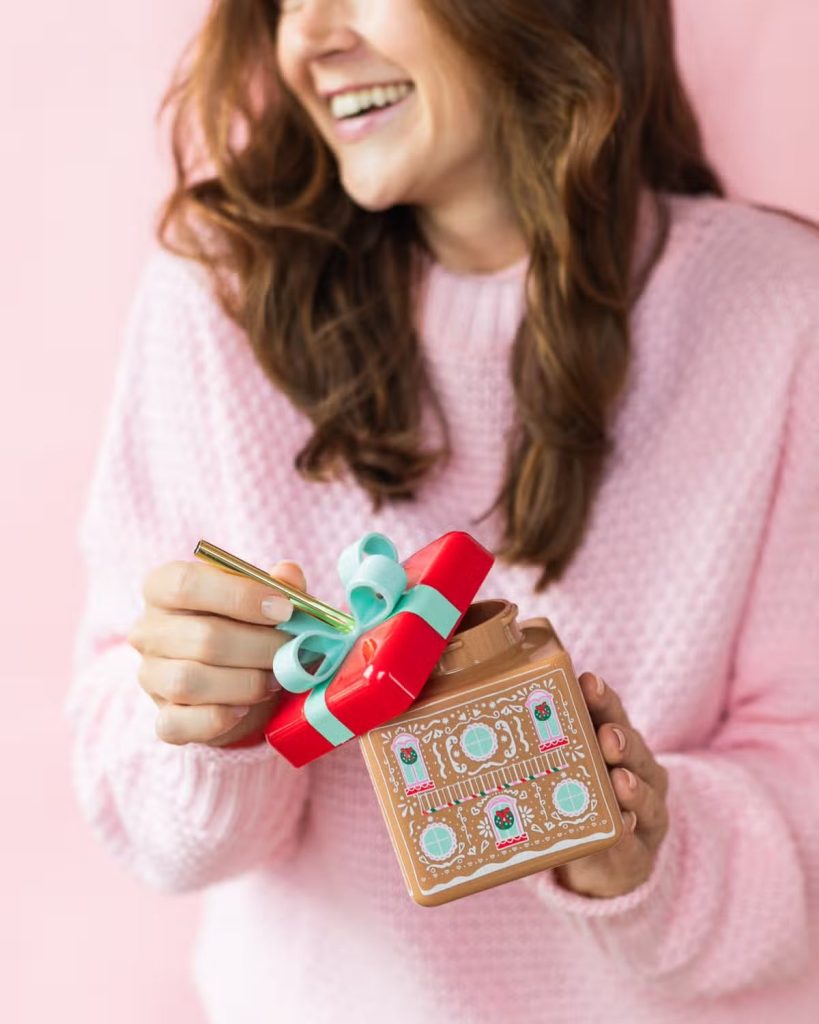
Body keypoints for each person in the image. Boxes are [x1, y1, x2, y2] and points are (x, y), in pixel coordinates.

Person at [65, 1, 819, 1021]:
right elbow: (127, 777)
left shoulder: (781, 314)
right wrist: (215, 727)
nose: (309, 36)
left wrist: (645, 849)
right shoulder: (217, 296)